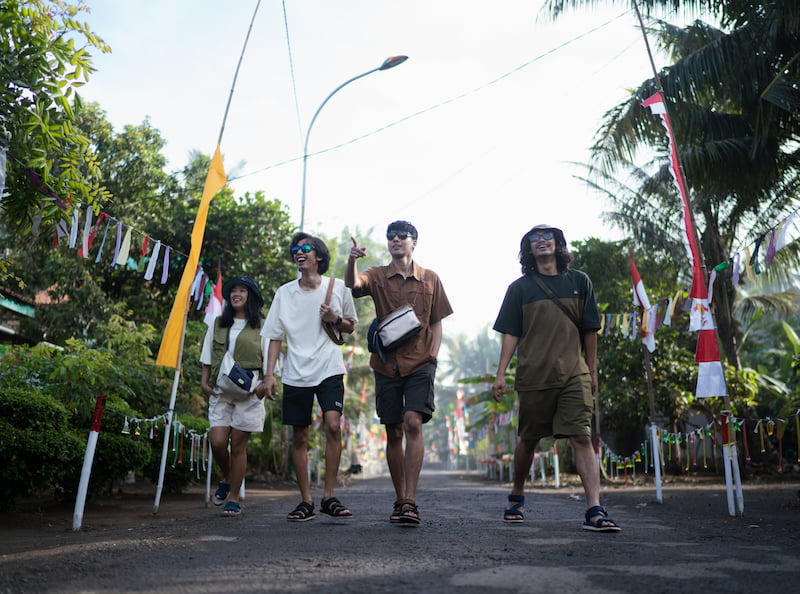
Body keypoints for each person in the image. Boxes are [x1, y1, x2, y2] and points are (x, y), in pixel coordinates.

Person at [491, 224, 621, 532]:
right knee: (529, 440)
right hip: (533, 375)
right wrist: (500, 375)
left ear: (558, 244)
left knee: (581, 436)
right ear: (528, 250)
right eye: (533, 239)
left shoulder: (579, 282)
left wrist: (591, 370)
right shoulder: (519, 288)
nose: (541, 242)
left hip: (573, 373)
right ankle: (517, 495)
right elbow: (511, 334)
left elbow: (590, 329)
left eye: (547, 237)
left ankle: (594, 509)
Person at [346, 220, 453, 525]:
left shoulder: (430, 278)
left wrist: (433, 353)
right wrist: (352, 260)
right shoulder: (377, 275)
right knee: (393, 429)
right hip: (386, 364)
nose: (395, 240)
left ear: (413, 242)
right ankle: (398, 497)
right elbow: (354, 286)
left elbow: (436, 320)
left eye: (401, 236)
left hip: (421, 363)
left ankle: (410, 500)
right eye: (390, 236)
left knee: (413, 422)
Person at [262, 232, 358, 522]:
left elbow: (351, 326)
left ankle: (329, 496)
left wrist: (335, 320)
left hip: (329, 367)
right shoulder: (284, 293)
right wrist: (269, 375)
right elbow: (274, 336)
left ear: (319, 257)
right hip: (295, 372)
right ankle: (306, 501)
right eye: (295, 249)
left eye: (306, 248)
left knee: (332, 426)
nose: (299, 253)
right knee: (300, 436)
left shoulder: (338, 287)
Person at [200, 275, 273, 517]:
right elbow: (208, 354)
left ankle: (233, 498)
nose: (236, 293)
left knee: (238, 447)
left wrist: (266, 384)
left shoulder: (262, 326)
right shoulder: (219, 323)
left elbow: (270, 359)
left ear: (251, 296)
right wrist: (203, 382)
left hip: (250, 391)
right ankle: (229, 476)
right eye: (233, 290)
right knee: (218, 442)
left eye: (242, 290)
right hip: (221, 390)